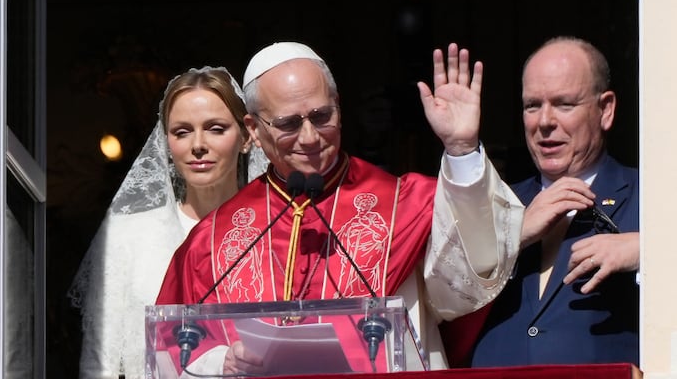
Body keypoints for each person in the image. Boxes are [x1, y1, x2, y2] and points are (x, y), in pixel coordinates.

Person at [155, 42, 524, 374]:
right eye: (287, 123)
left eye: (321, 116)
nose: (310, 137)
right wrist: (222, 360)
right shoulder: (214, 239)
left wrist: (461, 149)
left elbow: (469, 282)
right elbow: (171, 346)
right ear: (253, 129)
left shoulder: (405, 205)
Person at [68, 66, 269, 379]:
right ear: (166, 143)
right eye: (182, 131)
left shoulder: (278, 230)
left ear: (246, 136)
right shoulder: (127, 234)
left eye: (215, 128)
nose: (197, 144)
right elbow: (99, 363)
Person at [467, 37, 639, 367]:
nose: (544, 121)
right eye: (533, 106)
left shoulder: (651, 197)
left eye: (564, 104)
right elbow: (439, 297)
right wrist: (512, 233)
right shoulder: (496, 203)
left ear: (606, 110)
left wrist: (649, 251)